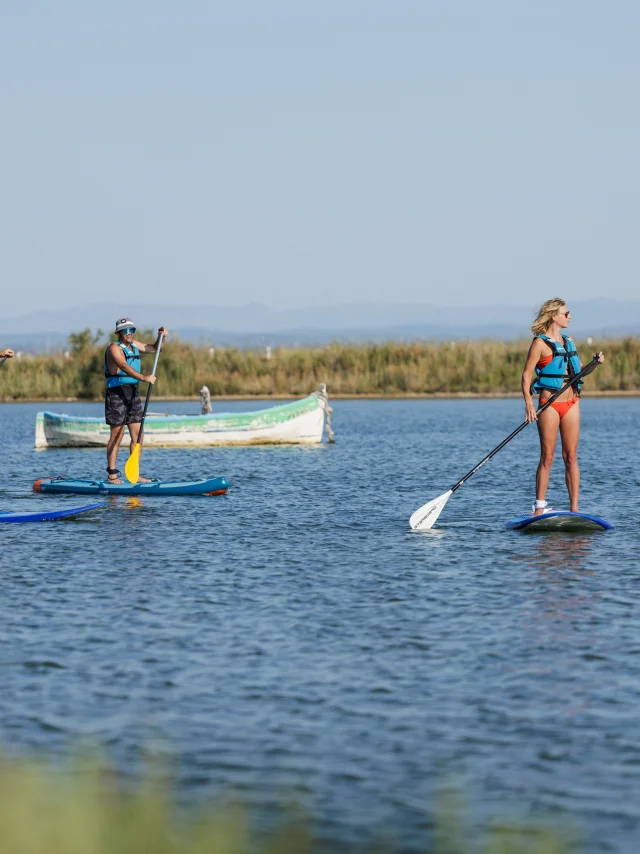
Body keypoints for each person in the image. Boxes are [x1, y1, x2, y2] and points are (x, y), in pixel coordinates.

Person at [522, 298, 604, 516]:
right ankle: (539, 508)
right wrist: (529, 403)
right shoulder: (539, 344)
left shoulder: (569, 342)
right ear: (553, 316)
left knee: (571, 456)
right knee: (547, 457)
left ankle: (574, 509)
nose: (570, 317)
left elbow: (579, 371)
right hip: (549, 405)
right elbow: (526, 375)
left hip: (571, 403)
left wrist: (594, 364)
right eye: (566, 314)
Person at [104, 318, 167, 483]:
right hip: (117, 392)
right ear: (118, 333)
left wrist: (161, 337)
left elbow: (155, 349)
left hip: (132, 393)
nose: (129, 333)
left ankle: (134, 474)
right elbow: (124, 366)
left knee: (138, 435)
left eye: (132, 330)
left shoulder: (134, 345)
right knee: (117, 434)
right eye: (125, 331)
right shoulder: (114, 348)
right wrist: (144, 378)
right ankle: (112, 474)